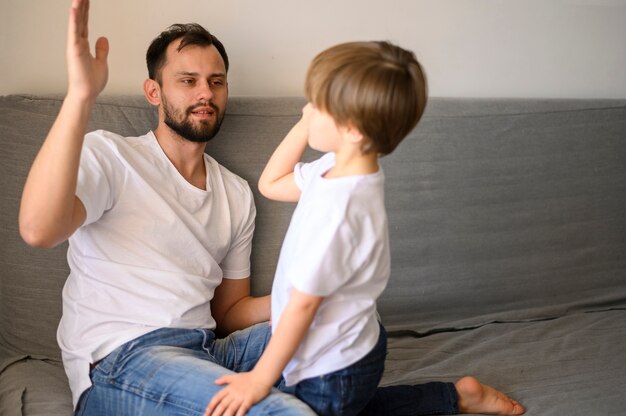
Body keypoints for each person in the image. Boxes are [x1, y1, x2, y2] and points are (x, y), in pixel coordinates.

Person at [19, 0, 525, 415]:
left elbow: (230, 312)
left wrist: (323, 295)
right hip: (122, 362)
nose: (205, 93)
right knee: (284, 412)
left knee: (338, 342)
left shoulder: (236, 193)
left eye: (216, 81)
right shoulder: (111, 155)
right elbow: (40, 229)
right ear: (154, 91)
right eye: (187, 80)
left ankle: (452, 398)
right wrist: (80, 97)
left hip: (208, 348)